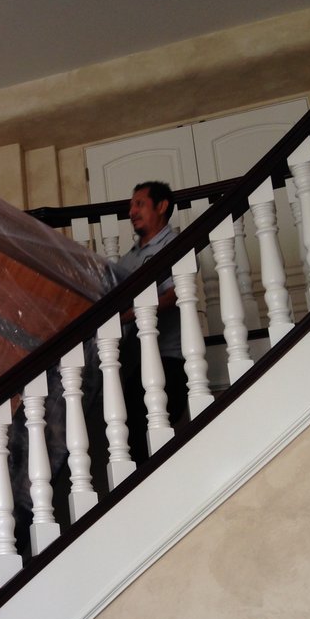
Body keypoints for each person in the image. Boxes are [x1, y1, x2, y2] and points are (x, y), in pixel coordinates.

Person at [118, 181, 188, 462]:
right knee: (133, 441)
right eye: (131, 206)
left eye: (140, 204)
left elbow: (176, 293)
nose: (132, 211)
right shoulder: (127, 261)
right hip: (135, 364)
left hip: (168, 360)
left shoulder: (175, 245)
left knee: (155, 439)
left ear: (162, 206)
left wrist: (131, 313)